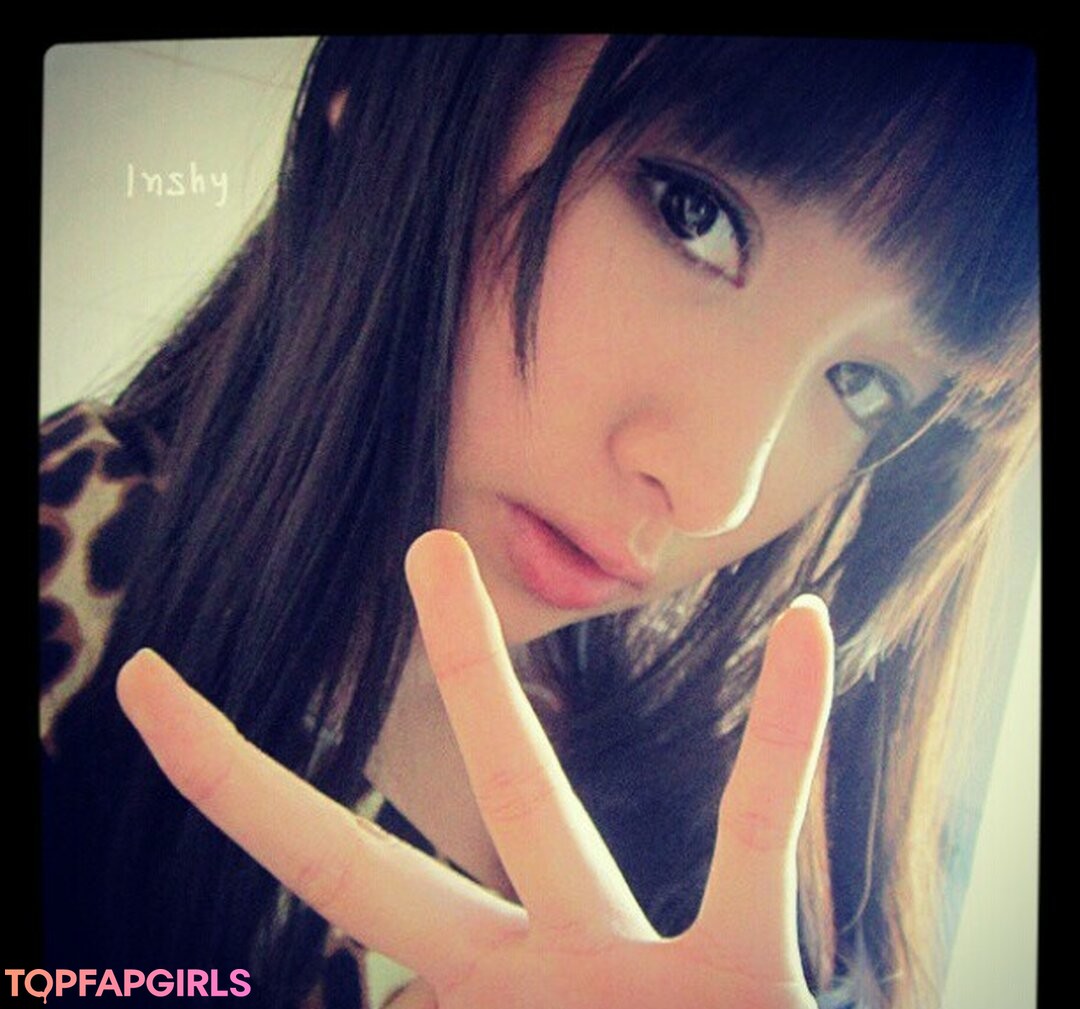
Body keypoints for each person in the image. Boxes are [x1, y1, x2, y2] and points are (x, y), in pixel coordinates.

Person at [39, 35, 1040, 1009]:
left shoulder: (739, 842)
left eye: (863, 385)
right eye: (693, 215)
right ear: (384, 83)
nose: (717, 491)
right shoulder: (73, 560)